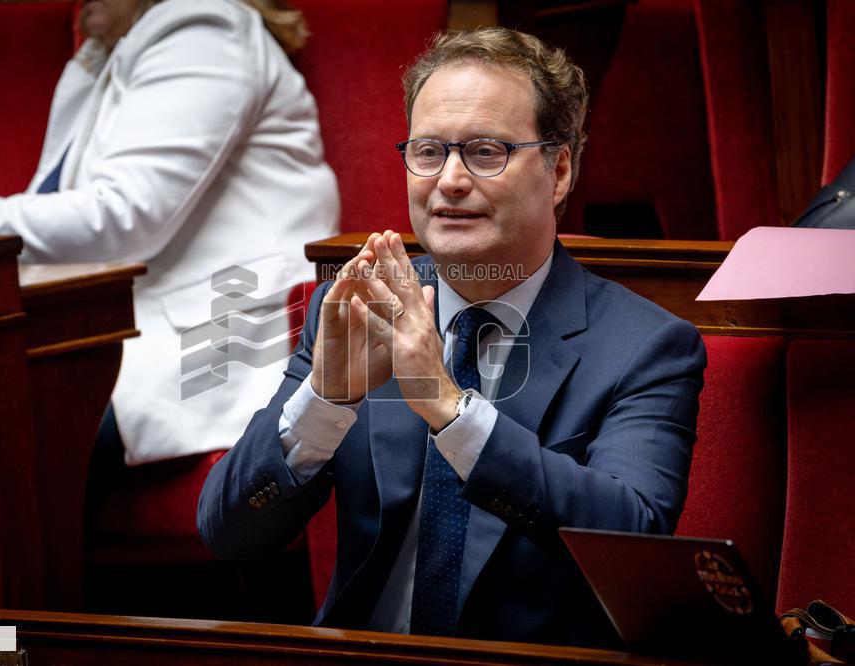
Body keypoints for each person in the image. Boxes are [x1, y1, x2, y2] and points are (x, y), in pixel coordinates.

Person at [198, 28, 706, 647]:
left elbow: (635, 542)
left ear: (560, 170)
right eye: (429, 151)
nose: (451, 180)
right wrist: (326, 399)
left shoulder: (646, 346)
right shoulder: (360, 310)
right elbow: (228, 531)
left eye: (487, 151)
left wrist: (450, 410)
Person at [0, 0, 340, 465]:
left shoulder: (201, 29)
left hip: (213, 340)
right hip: (132, 326)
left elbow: (120, 215)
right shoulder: (117, 51)